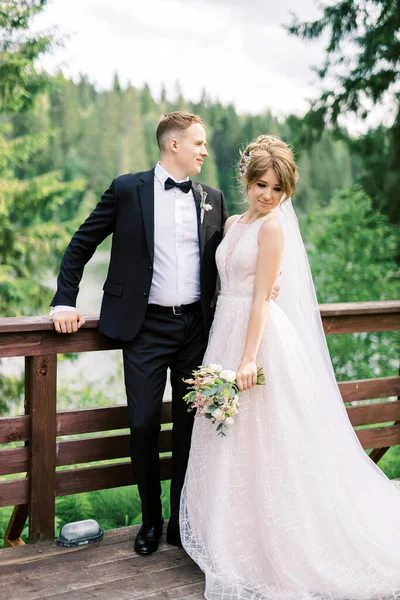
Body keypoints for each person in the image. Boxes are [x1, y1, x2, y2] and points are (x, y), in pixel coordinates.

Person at [180, 135, 400, 599]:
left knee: (270, 439)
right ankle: (230, 534)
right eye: (261, 184)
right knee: (231, 438)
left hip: (258, 341)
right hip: (226, 330)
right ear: (247, 180)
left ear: (286, 192)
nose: (268, 195)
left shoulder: (273, 228)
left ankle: (276, 542)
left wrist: (248, 358)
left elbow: (261, 296)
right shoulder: (237, 222)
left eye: (277, 189)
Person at [50, 111, 231, 555]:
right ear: (174, 145)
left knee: (191, 427)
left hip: (196, 329)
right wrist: (65, 300)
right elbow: (81, 243)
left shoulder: (213, 197)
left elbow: (228, 259)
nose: (205, 151)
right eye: (198, 143)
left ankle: (181, 523)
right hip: (144, 328)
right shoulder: (127, 189)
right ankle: (151, 521)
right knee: (143, 424)